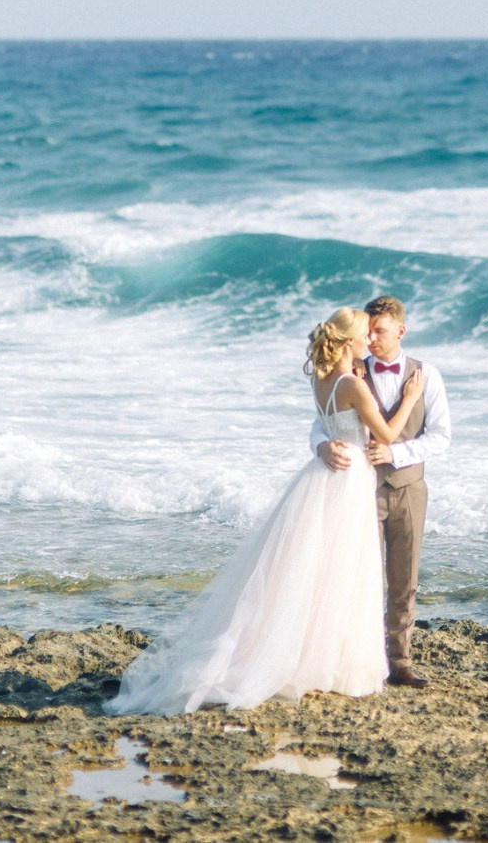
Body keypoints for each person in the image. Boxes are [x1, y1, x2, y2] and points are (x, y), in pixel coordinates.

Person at [106, 308, 424, 715]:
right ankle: (326, 663)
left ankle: (311, 658)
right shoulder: (352, 384)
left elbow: (329, 422)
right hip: (348, 481)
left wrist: (325, 441)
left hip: (326, 478)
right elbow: (388, 434)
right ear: (349, 342)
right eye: (365, 334)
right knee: (341, 571)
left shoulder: (323, 378)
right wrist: (410, 398)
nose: (370, 340)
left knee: (318, 572)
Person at [311, 294, 451, 688]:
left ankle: (400, 663)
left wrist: (397, 453)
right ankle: (361, 660)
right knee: (360, 578)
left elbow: (441, 436)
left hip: (409, 489)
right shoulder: (351, 372)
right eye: (368, 331)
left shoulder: (427, 375)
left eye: (381, 332)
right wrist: (321, 447)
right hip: (361, 490)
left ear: (401, 331)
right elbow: (322, 422)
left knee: (404, 579)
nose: (372, 338)